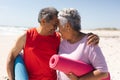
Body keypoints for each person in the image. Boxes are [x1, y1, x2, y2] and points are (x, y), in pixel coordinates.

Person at [6, 7, 99, 80]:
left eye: (57, 25)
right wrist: (11, 78)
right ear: (43, 21)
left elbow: (75, 38)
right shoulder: (26, 36)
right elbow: (11, 57)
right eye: (54, 24)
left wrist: (90, 37)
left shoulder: (58, 38)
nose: (56, 28)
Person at [57, 8, 109, 80]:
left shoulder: (89, 42)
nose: (58, 30)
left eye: (59, 27)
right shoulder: (62, 42)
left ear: (67, 26)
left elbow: (103, 72)